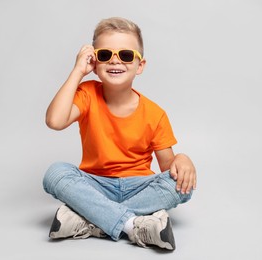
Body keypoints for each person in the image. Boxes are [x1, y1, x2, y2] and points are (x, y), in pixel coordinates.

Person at [42, 17, 196, 251]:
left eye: (125, 55)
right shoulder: (87, 93)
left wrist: (182, 158)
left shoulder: (155, 114)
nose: (115, 60)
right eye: (105, 55)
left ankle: (91, 220)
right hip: (95, 183)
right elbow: (55, 120)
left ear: (139, 65)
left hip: (138, 185)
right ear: (94, 62)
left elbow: (168, 168)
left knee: (182, 185)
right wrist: (77, 71)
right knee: (55, 173)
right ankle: (133, 224)